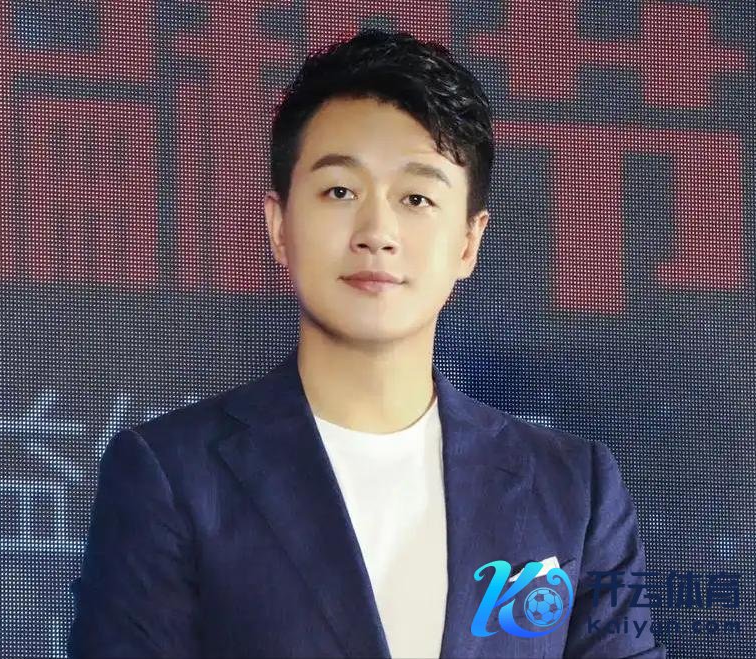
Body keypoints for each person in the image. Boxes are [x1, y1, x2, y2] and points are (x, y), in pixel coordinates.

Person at [68, 29, 666, 658]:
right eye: (340, 192)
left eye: (416, 198)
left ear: (468, 241)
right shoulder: (171, 475)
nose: (377, 231)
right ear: (279, 225)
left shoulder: (573, 490)